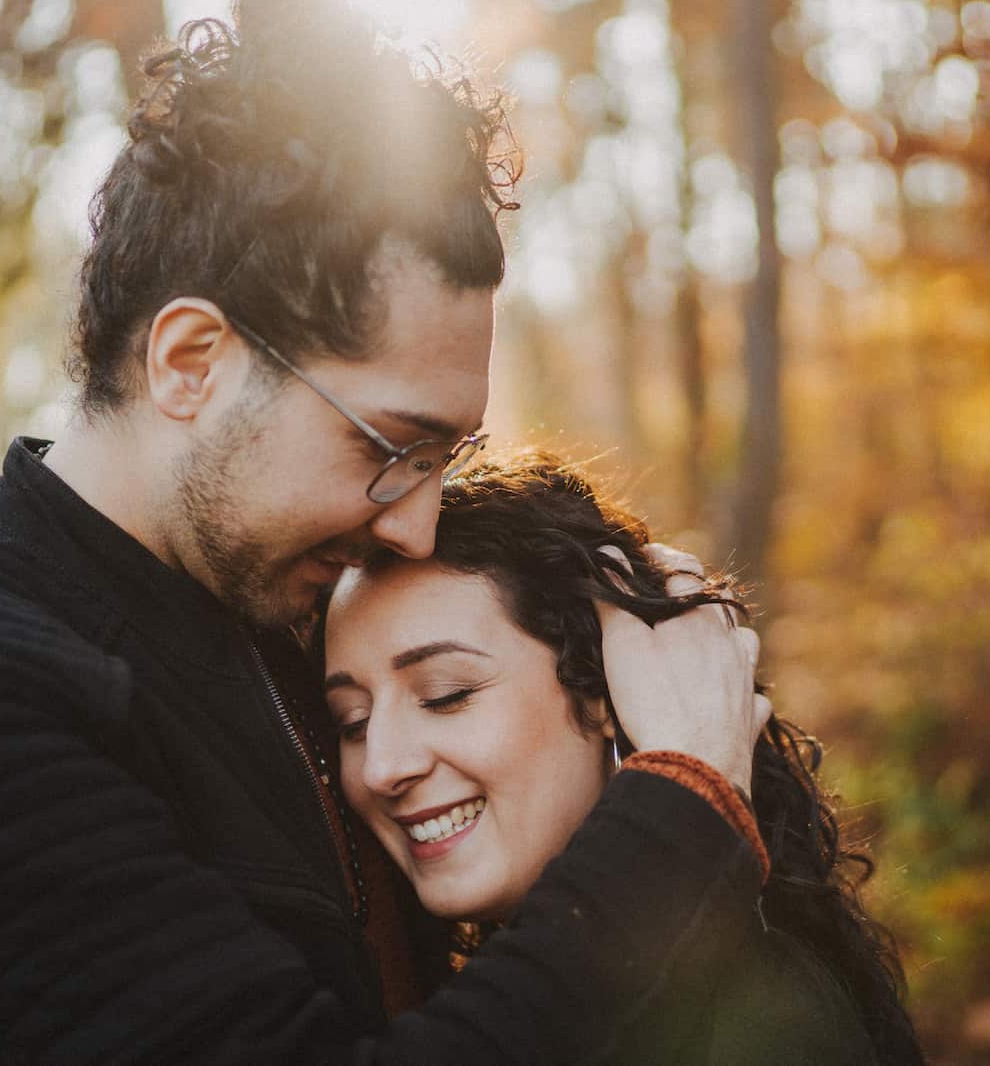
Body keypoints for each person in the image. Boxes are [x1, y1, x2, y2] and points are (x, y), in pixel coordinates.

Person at [0, 3, 772, 1063]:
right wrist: (678, 806)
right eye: (390, 444)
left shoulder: (262, 604)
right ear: (191, 362)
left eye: (443, 458)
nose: (416, 521)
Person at [321, 452, 928, 1065]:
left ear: (607, 685)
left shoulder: (758, 1024)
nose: (382, 767)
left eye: (445, 694)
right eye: (353, 722)